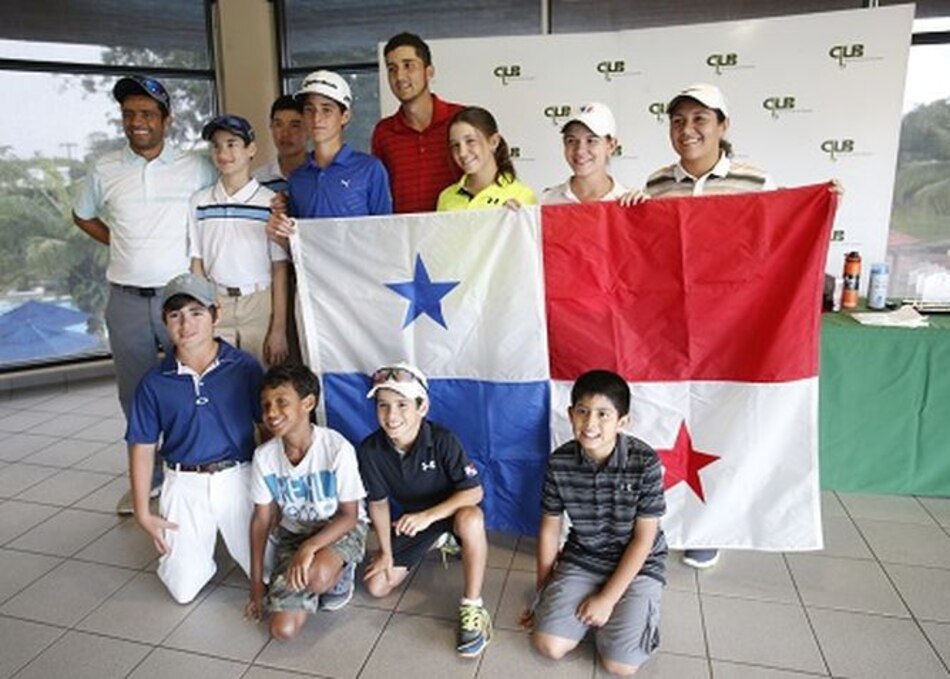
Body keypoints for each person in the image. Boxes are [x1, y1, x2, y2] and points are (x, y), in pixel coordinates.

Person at [621, 83, 774, 570]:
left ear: (723, 126)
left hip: (730, 324)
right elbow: (643, 254)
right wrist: (629, 216)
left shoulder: (756, 182)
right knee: (671, 418)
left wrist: (821, 201)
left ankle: (711, 525)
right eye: (678, 120)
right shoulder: (656, 183)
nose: (687, 130)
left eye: (699, 119)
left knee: (720, 420)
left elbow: (777, 239)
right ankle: (666, 515)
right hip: (670, 325)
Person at [72, 75, 216, 515]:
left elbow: (220, 202)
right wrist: (120, 242)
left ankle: (196, 468)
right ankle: (148, 480)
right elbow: (82, 216)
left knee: (193, 386)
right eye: (130, 114)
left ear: (167, 121)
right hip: (127, 300)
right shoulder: (104, 168)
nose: (137, 122)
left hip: (180, 303)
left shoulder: (196, 166)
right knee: (135, 395)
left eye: (147, 114)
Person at [126, 272, 262, 604]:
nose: (186, 324)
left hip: (237, 475)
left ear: (217, 314)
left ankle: (234, 540)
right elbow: (142, 448)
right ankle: (200, 550)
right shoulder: (154, 382)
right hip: (183, 481)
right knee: (184, 590)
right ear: (164, 321)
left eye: (196, 313)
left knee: (269, 572)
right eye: (175, 315)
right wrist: (142, 511)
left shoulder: (244, 367)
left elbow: (270, 429)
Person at [521, 370, 666, 677]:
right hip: (584, 557)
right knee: (549, 646)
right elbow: (550, 527)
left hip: (639, 564)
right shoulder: (560, 461)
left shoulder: (645, 462)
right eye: (583, 412)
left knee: (619, 665)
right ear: (570, 414)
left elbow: (644, 539)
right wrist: (542, 591)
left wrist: (607, 599)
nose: (590, 424)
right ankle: (584, 611)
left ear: (622, 422)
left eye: (603, 414)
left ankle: (625, 612)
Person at [357, 363, 492, 658]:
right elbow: (377, 503)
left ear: (422, 406)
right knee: (376, 586)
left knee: (472, 519)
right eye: (383, 406)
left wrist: (428, 517)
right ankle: (439, 542)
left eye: (402, 405)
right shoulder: (370, 450)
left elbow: (474, 491)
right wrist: (386, 552)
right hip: (417, 523)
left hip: (450, 513)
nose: (392, 416)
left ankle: (473, 606)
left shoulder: (443, 439)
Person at [245, 363, 368, 641]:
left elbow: (349, 516)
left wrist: (310, 548)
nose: (272, 413)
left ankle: (338, 575)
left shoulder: (337, 448)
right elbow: (262, 520)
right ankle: (311, 581)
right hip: (295, 535)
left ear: (308, 403)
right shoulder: (264, 457)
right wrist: (256, 584)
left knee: (318, 576)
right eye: (266, 406)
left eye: (281, 403)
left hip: (340, 529)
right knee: (282, 631)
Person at [188, 114, 289, 368]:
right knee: (221, 382)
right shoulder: (200, 202)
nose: (223, 153)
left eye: (232, 144)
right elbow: (197, 263)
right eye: (217, 146)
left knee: (261, 383)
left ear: (250, 149)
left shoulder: (270, 202)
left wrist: (278, 329)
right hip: (217, 303)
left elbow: (279, 269)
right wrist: (204, 311)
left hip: (258, 305)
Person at [266, 69, 392, 248]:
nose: (317, 118)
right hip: (313, 276)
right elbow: (298, 247)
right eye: (310, 109)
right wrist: (280, 236)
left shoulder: (370, 169)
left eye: (326, 110)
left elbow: (385, 234)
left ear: (345, 116)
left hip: (360, 274)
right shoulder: (297, 178)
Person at [372, 32, 464, 213]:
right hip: (406, 238)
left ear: (429, 72)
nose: (399, 76)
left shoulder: (461, 119)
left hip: (457, 235)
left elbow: (487, 179)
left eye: (408, 66)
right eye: (392, 69)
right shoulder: (383, 132)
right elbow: (379, 195)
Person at [436, 106, 536, 211]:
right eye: (455, 145)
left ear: (493, 142)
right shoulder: (446, 197)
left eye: (470, 141)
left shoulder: (522, 195)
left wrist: (514, 220)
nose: (462, 153)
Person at [541, 102, 628, 205]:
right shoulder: (545, 202)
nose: (580, 151)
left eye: (591, 141)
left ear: (611, 145)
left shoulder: (630, 203)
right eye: (571, 141)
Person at [254, 95, 309, 195]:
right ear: (271, 127)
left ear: (310, 129)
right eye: (278, 125)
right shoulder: (257, 180)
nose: (285, 134)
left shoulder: (321, 177)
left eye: (294, 126)